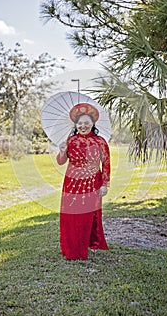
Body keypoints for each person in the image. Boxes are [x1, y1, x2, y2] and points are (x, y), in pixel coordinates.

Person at [56, 103, 110, 260]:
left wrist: (105, 184)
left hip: (93, 182)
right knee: (72, 215)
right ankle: (72, 247)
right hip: (72, 182)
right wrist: (62, 151)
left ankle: (92, 243)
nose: (83, 126)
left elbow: (106, 163)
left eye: (86, 122)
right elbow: (61, 161)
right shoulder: (70, 141)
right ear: (75, 125)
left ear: (93, 124)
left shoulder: (100, 141)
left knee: (89, 214)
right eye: (80, 123)